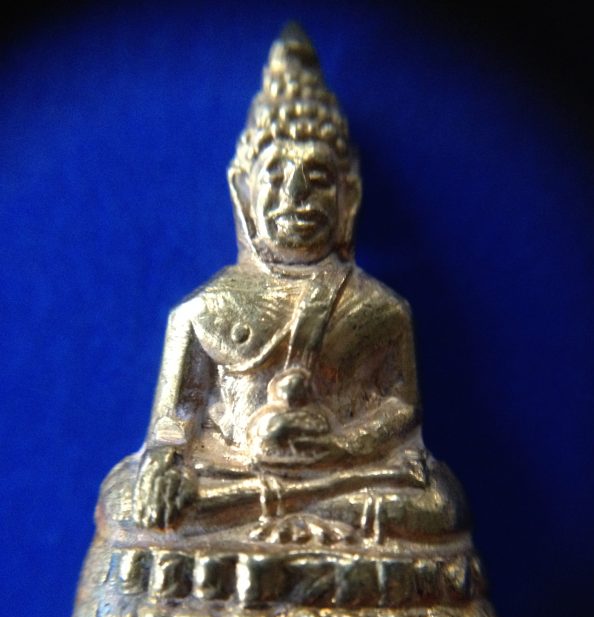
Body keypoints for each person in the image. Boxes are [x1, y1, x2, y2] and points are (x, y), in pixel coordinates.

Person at [109, 25, 470, 544]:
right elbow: (173, 421)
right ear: (242, 192)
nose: (296, 193)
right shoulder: (202, 310)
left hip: (345, 475)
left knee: (440, 501)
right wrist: (164, 463)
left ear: (349, 197)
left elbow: (401, 410)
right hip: (232, 470)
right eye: (275, 176)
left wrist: (341, 446)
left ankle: (270, 511)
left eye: (318, 178)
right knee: (128, 497)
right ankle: (272, 510)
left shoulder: (380, 309)